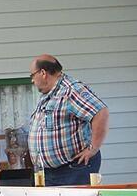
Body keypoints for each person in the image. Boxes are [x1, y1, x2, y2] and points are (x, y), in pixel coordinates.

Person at [27, 54, 109, 186]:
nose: (32, 80)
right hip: (51, 173)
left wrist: (93, 149)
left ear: (43, 73)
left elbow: (100, 113)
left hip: (73, 170)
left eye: (32, 75)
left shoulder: (71, 90)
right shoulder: (49, 93)